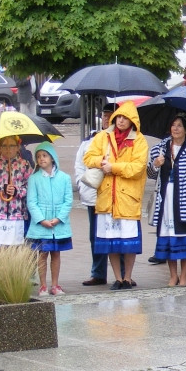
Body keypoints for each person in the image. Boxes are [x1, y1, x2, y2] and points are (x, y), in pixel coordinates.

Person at [83, 100, 149, 291]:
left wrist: (114, 167)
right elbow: (88, 157)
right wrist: (101, 160)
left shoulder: (139, 140)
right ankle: (118, 278)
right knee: (111, 241)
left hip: (128, 198)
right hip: (107, 198)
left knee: (128, 243)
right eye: (118, 117)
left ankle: (128, 277)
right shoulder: (103, 136)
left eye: (125, 118)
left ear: (132, 121)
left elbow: (138, 167)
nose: (121, 121)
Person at [148, 113, 186, 287]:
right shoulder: (160, 148)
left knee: (184, 236)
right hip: (166, 197)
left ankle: (184, 276)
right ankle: (173, 275)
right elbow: (150, 174)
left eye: (179, 126)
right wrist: (155, 165)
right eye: (173, 125)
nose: (175, 129)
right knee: (168, 235)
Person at [26, 142, 73, 297]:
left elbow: (68, 201)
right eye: (38, 156)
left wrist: (59, 218)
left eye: (44, 155)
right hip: (41, 224)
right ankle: (43, 285)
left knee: (56, 253)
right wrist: (41, 220)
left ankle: (55, 284)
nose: (41, 159)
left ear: (52, 158)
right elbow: (31, 202)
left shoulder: (64, 178)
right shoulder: (34, 178)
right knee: (42, 254)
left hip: (58, 224)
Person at [75, 105, 114, 286]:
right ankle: (98, 272)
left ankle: (123, 273)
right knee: (96, 235)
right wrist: (81, 185)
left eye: (110, 116)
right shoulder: (90, 141)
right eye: (104, 116)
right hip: (93, 194)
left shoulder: (123, 141)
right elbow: (79, 164)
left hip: (115, 195)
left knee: (117, 234)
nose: (107, 119)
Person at [0, 136, 31, 247]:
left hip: (17, 214)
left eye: (12, 145)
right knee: (0, 249)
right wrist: (1, 189)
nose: (8, 149)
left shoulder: (24, 165)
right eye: (4, 146)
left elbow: (30, 187)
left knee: (16, 249)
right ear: (0, 148)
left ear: (18, 147)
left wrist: (17, 191)